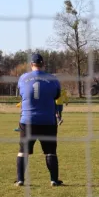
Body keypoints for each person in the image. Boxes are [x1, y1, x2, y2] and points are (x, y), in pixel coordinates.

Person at [15, 53, 63, 187]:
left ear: (31, 64)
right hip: (48, 120)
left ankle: (20, 180)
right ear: (43, 64)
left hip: (27, 119)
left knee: (23, 151)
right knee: (50, 151)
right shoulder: (53, 79)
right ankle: (54, 180)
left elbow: (22, 93)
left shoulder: (23, 78)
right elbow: (57, 95)